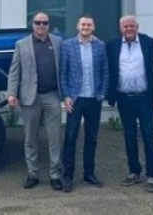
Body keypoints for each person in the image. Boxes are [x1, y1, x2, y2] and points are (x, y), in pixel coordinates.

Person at [7, 11, 64, 190]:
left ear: (49, 25)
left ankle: (55, 174)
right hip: (29, 96)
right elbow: (14, 71)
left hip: (52, 95)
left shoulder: (58, 42)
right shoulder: (21, 44)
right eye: (37, 23)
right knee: (30, 138)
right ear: (32, 24)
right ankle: (33, 173)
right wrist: (11, 93)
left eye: (44, 23)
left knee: (54, 138)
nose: (41, 26)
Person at [106, 15, 153, 193]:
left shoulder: (150, 43)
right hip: (124, 99)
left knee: (148, 135)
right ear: (120, 28)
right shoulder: (112, 45)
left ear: (137, 27)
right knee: (129, 136)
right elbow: (109, 70)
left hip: (145, 98)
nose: (128, 28)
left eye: (131, 26)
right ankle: (134, 171)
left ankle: (151, 175)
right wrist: (110, 95)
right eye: (125, 26)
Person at [58, 15, 108, 193]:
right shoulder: (68, 45)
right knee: (70, 136)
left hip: (94, 99)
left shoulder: (100, 46)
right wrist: (66, 96)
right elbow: (63, 73)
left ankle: (89, 173)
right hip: (75, 99)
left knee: (92, 138)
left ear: (93, 27)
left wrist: (102, 92)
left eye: (89, 24)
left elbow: (105, 71)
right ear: (78, 27)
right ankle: (67, 176)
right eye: (83, 24)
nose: (86, 27)